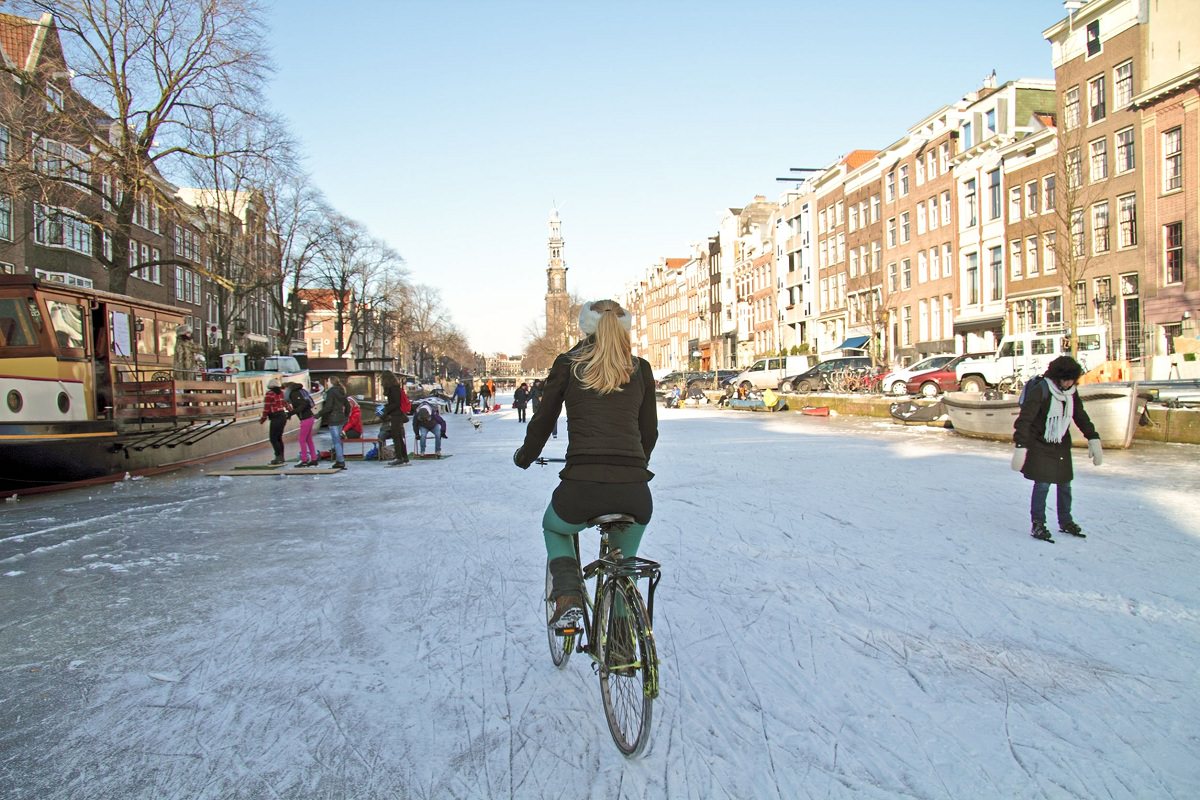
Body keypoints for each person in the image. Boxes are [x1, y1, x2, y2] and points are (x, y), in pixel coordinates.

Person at [513, 299, 658, 637]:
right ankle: (622, 641)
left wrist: (526, 455)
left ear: (585, 327)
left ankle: (567, 595)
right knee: (625, 566)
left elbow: (543, 419)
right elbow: (648, 431)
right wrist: (637, 467)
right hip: (634, 490)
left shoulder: (568, 364)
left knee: (555, 527)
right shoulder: (641, 368)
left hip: (582, 485)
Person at [1011, 355, 1103, 542]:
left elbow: (1080, 415)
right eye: (1066, 379)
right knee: (1043, 484)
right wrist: (1021, 445)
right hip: (1039, 442)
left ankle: (1065, 521)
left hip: (1060, 443)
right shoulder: (1041, 390)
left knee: (1065, 484)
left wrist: (1093, 437)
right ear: (1057, 377)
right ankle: (1038, 523)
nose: (1069, 383)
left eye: (1072, 379)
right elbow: (1025, 420)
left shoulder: (1071, 392)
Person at [318, 375, 351, 470]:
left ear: (331, 382)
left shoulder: (331, 392)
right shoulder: (341, 391)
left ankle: (340, 461)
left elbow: (328, 407)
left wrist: (318, 415)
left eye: (328, 381)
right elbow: (348, 406)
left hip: (333, 419)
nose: (327, 383)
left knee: (336, 441)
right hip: (340, 419)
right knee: (339, 441)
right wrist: (346, 417)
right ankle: (339, 459)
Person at [380, 372, 412, 466]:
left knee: (396, 437)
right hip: (397, 414)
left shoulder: (393, 389)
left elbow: (396, 403)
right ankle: (404, 457)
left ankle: (399, 457)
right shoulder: (394, 387)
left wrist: (386, 409)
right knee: (398, 436)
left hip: (396, 415)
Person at [259, 378, 292, 465]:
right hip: (282, 416)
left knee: (273, 438)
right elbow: (286, 404)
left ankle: (278, 457)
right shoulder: (282, 393)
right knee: (279, 437)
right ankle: (282, 456)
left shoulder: (269, 394)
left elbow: (267, 407)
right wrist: (290, 413)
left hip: (275, 417)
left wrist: (263, 418)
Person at [286, 381, 318, 467]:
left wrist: (291, 413)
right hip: (310, 417)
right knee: (308, 440)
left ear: (287, 388)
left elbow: (303, 405)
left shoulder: (294, 394)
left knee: (302, 440)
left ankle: (304, 460)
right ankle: (314, 459)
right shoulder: (300, 391)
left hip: (305, 418)